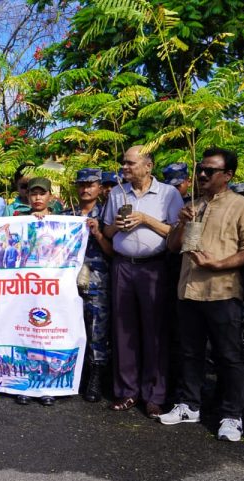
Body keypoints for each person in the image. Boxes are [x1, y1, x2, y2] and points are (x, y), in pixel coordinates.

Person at [161, 148, 244, 442]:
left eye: (210, 170)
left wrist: (218, 265)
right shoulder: (192, 204)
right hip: (189, 290)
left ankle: (232, 415)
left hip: (222, 291)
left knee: (229, 356)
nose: (202, 175)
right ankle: (189, 405)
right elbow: (172, 246)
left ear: (228, 175)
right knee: (190, 352)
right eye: (200, 169)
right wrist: (181, 221)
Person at [102, 145, 184, 418]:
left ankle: (154, 395)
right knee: (124, 332)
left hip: (154, 268)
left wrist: (145, 219)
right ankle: (127, 392)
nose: (124, 168)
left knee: (155, 332)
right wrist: (117, 225)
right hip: (123, 266)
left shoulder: (168, 194)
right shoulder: (117, 192)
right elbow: (107, 230)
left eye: (130, 163)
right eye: (123, 163)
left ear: (148, 166)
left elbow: (176, 231)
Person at [63, 169, 113, 403]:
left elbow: (114, 252)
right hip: (66, 283)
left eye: (91, 184)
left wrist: (99, 233)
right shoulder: (64, 216)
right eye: (81, 184)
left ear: (100, 187)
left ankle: (95, 378)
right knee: (68, 329)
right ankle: (71, 375)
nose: (85, 188)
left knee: (96, 332)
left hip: (96, 281)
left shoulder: (106, 214)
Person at [13, 177, 57, 407]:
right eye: (33, 194)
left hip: (52, 289)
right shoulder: (18, 219)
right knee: (26, 336)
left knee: (49, 337)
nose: (38, 198)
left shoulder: (63, 219)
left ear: (50, 195)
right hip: (24, 287)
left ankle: (48, 386)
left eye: (42, 194)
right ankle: (27, 385)